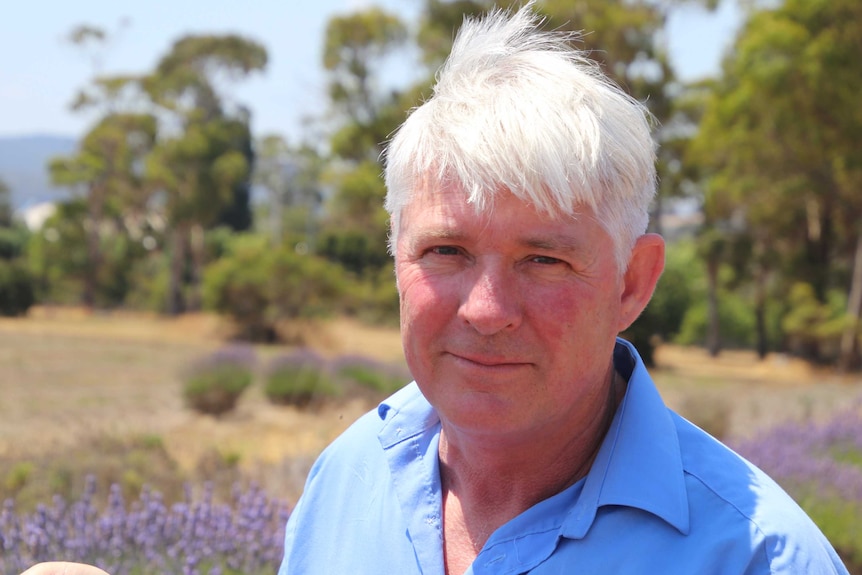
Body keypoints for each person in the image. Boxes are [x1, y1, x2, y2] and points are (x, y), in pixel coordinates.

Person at [278, 3, 850, 575]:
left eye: (543, 260)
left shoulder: (757, 559)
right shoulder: (346, 483)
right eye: (446, 251)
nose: (486, 310)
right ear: (396, 257)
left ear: (632, 284)